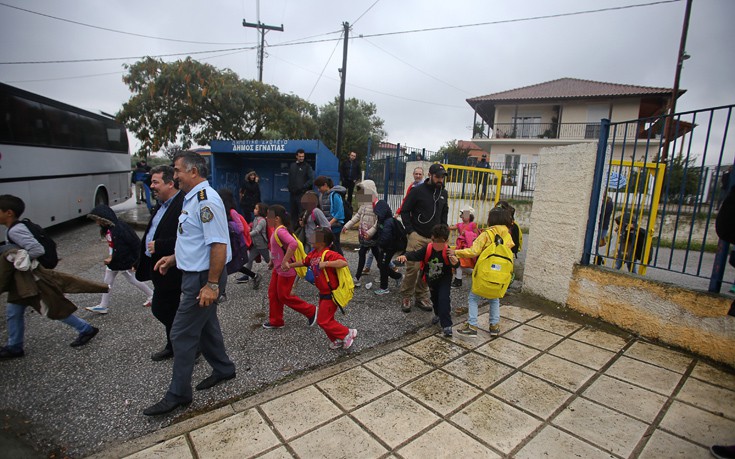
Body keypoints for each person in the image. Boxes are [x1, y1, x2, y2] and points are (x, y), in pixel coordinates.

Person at [143, 151, 236, 416]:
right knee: (206, 327)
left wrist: (212, 285)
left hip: (203, 277)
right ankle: (224, 369)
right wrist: (173, 258)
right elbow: (193, 240)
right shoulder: (192, 199)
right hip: (195, 274)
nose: (175, 176)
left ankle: (179, 393)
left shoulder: (207, 201)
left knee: (182, 333)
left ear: (193, 172)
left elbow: (218, 244)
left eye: (177, 171)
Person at [0, 195, 99, 359]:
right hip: (21, 281)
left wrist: (18, 259)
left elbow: (37, 250)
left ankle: (86, 329)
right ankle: (14, 346)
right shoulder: (14, 228)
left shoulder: (15, 230)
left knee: (51, 306)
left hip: (29, 278)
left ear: (9, 213)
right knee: (14, 311)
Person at [135, 166, 184, 361]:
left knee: (161, 308)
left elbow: (188, 238)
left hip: (171, 267)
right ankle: (174, 344)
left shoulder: (182, 205)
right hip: (157, 266)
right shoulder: (161, 205)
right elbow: (152, 232)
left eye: (156, 182)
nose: (152, 186)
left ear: (170, 183)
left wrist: (161, 246)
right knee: (169, 309)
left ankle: (188, 343)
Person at [287, 228, 357, 349]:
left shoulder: (328, 254)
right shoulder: (314, 254)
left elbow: (343, 262)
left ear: (322, 242)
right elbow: (304, 262)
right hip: (323, 293)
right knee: (326, 319)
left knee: (323, 320)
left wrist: (327, 264)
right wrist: (289, 265)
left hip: (330, 294)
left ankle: (347, 333)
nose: (311, 238)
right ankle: (337, 339)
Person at [452, 207, 515, 337]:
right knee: (494, 298)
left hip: (484, 272)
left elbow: (473, 251)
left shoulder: (487, 234)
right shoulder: (507, 235)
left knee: (473, 298)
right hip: (500, 274)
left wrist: (456, 252)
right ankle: (494, 326)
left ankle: (472, 326)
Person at [398, 163, 449, 313]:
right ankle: (406, 296)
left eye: (442, 177)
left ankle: (421, 296)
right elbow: (405, 211)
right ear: (430, 175)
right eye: (438, 177)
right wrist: (410, 231)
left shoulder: (443, 193)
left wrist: (444, 235)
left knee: (431, 269)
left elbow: (444, 213)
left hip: (435, 240)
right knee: (413, 268)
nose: (440, 180)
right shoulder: (417, 191)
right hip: (417, 236)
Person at [86, 205, 153, 314]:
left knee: (130, 279)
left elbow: (134, 244)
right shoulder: (112, 228)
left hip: (122, 260)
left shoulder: (119, 229)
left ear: (104, 219)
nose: (97, 223)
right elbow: (115, 246)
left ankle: (152, 295)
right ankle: (103, 305)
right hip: (118, 260)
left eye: (98, 220)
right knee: (112, 280)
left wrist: (136, 260)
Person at [261, 204, 318, 330]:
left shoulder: (280, 230)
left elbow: (293, 244)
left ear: (277, 218)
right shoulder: (278, 230)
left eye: (269, 216)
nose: (266, 218)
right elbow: (278, 249)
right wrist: (272, 262)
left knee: (284, 296)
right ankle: (276, 321)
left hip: (286, 271)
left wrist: (285, 261)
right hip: (278, 269)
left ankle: (311, 311)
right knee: (273, 294)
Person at [396, 224, 458, 337]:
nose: (437, 244)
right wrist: (406, 256)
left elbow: (456, 264)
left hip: (444, 279)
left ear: (446, 240)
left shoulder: (448, 251)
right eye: (435, 241)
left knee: (444, 299)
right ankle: (438, 314)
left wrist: (456, 262)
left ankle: (447, 325)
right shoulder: (428, 248)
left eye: (441, 241)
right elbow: (416, 255)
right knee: (434, 298)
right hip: (432, 279)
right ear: (432, 238)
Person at [342, 180, 391, 287]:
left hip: (372, 237)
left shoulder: (377, 204)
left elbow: (379, 221)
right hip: (364, 236)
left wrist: (371, 232)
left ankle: (359, 277)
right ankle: (389, 274)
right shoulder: (363, 205)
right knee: (372, 256)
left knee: (370, 256)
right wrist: (347, 225)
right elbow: (357, 216)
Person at [374, 195, 407, 295]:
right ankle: (397, 276)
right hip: (386, 247)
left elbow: (386, 237)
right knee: (381, 264)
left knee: (383, 265)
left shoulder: (388, 222)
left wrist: (380, 244)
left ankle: (384, 287)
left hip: (388, 247)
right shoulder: (383, 220)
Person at [237, 202, 270, 288]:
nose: (254, 210)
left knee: (268, 260)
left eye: (256, 209)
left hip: (262, 245)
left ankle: (279, 272)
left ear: (260, 210)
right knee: (249, 259)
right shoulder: (256, 219)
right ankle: (247, 275)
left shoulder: (262, 220)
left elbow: (257, 231)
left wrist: (247, 234)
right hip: (255, 245)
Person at [314, 175, 346, 255]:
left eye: (319, 187)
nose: (318, 190)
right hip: (327, 227)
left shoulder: (335, 195)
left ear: (325, 185)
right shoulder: (321, 196)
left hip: (335, 226)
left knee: (336, 246)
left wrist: (329, 224)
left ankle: (342, 264)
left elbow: (339, 213)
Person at [450, 206, 479, 288]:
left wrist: (466, 234)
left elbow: (477, 236)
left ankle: (459, 281)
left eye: (464, 215)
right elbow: (450, 228)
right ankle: (475, 274)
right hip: (461, 248)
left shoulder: (473, 225)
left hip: (468, 248)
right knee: (460, 264)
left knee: (460, 264)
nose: (462, 216)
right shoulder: (459, 225)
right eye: (462, 215)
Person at [287, 149, 314, 231]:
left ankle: (301, 231)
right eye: (300, 156)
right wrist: (289, 186)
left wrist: (303, 187)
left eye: (303, 156)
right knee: (293, 214)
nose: (301, 158)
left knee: (301, 213)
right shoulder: (292, 166)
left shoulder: (307, 166)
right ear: (296, 156)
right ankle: (293, 231)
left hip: (301, 194)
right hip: (292, 194)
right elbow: (290, 178)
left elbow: (311, 179)